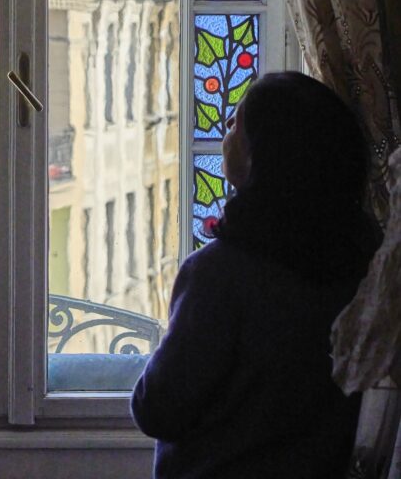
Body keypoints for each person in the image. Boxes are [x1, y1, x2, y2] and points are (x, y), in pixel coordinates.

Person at [131, 71, 381, 479]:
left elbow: (158, 409)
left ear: (263, 154)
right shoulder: (365, 271)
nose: (227, 126)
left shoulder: (219, 273)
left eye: (238, 122)